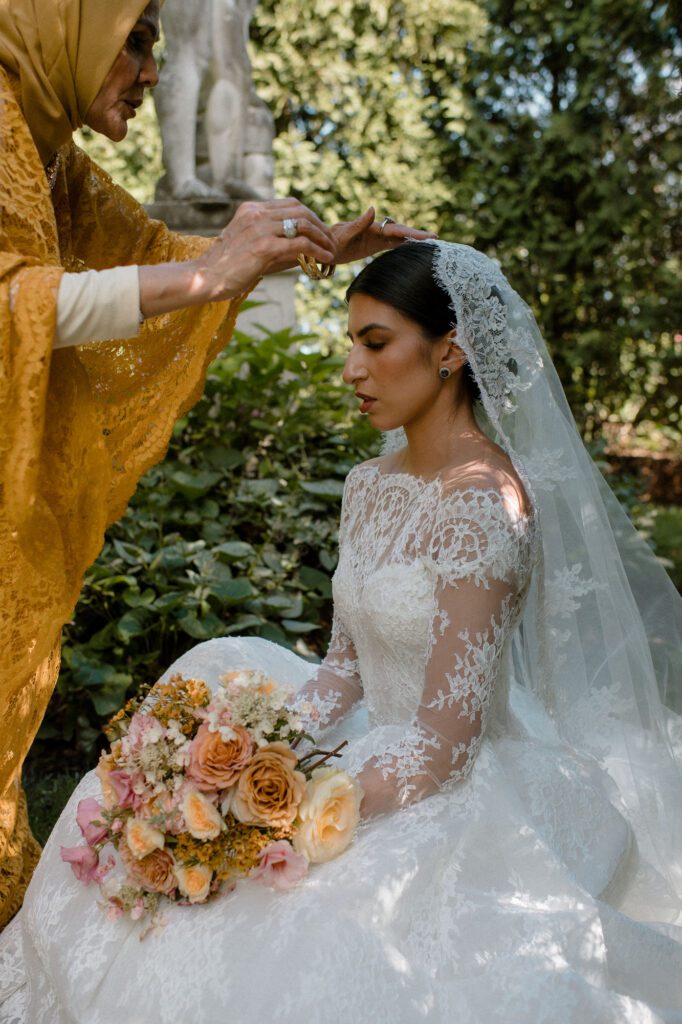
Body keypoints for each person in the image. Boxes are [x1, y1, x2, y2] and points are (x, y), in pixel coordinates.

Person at [1, 240, 680, 1022]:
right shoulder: (369, 484)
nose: (352, 369)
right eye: (350, 343)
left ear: (450, 350)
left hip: (446, 780)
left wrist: (288, 809)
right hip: (372, 742)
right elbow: (341, 670)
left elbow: (444, 742)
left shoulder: (485, 503)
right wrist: (239, 760)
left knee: (290, 929)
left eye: (376, 343)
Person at [0, 0, 432, 929]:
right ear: (64, 26)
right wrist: (213, 272)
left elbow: (161, 258)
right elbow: (17, 301)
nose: (151, 73)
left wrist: (280, 257)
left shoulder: (49, 155)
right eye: (138, 41)